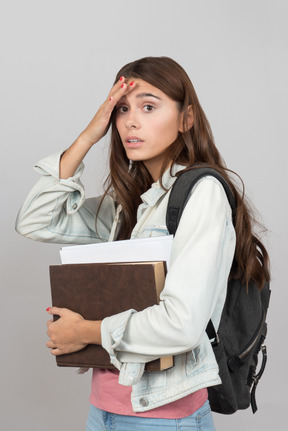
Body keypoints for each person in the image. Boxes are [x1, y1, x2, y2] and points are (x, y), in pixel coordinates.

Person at [15, 56, 270, 431]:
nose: (130, 121)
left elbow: (182, 325)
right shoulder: (128, 203)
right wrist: (88, 135)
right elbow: (36, 220)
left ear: (187, 118)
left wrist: (84, 331)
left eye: (149, 107)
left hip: (163, 419)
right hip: (104, 409)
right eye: (121, 110)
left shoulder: (202, 193)